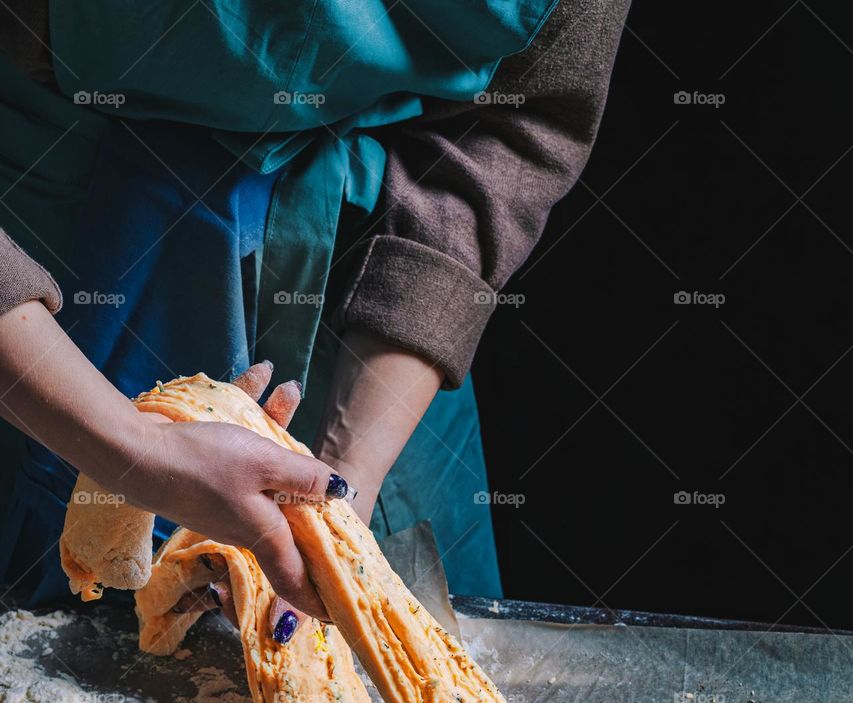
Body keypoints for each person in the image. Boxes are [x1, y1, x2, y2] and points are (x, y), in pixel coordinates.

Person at [0, 0, 629, 635]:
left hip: (379, 305)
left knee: (405, 656)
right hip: (41, 282)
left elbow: (512, 134)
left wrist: (347, 480)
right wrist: (133, 447)